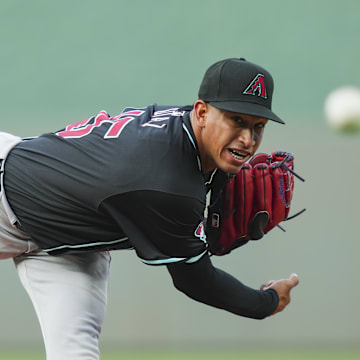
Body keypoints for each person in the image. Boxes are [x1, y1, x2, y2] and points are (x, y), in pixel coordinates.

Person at [0, 57, 299, 360]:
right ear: (202, 112)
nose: (248, 140)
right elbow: (195, 281)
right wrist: (268, 302)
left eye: (258, 127)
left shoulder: (186, 132)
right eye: (236, 120)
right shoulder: (167, 184)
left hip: (69, 239)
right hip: (7, 195)